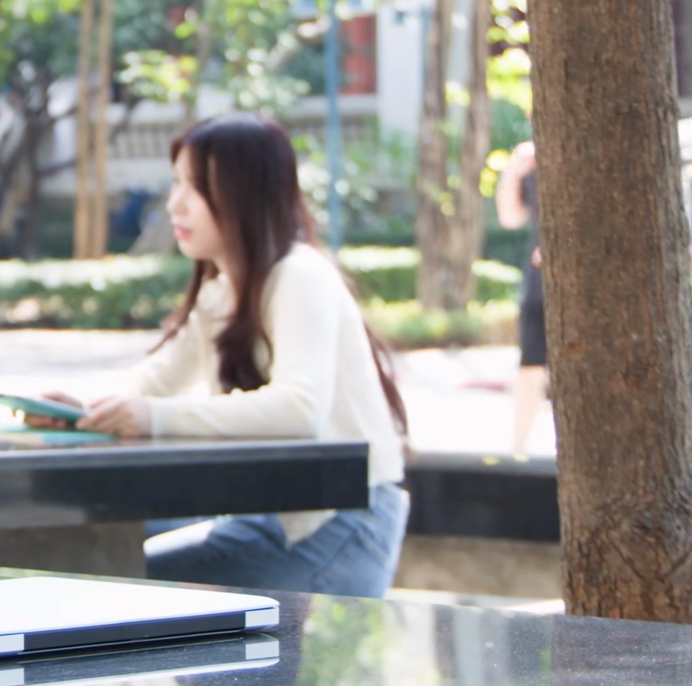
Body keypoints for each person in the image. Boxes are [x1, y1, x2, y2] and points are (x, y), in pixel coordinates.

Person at [32, 113, 409, 597]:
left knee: (116, 582)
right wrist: (84, 410)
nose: (175, 204)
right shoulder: (224, 289)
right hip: (275, 515)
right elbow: (156, 379)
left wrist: (151, 416)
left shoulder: (299, 275)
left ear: (245, 193)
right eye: (176, 184)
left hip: (342, 524)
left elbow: (299, 407)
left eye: (196, 187)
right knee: (94, 558)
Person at [494, 141, 547, 455]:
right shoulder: (533, 165)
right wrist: (514, 169)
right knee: (530, 365)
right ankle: (518, 446)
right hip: (539, 282)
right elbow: (510, 217)